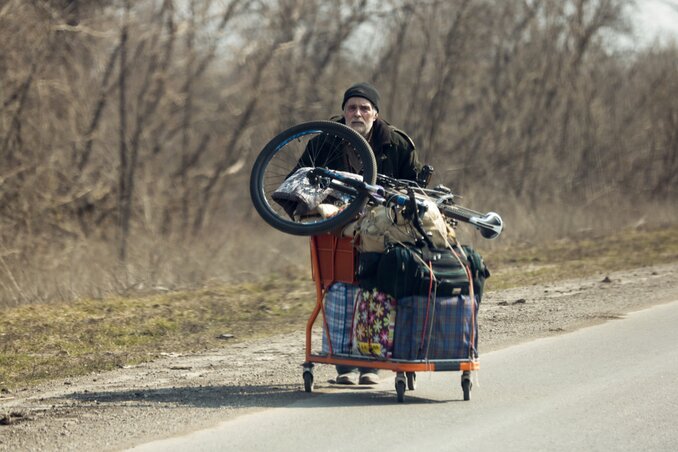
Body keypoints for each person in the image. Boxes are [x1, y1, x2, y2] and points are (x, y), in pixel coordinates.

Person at [330, 82, 423, 385]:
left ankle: (371, 362)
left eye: (364, 108)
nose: (357, 113)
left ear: (376, 114)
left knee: (378, 288)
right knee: (338, 287)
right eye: (351, 108)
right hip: (337, 226)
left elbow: (416, 190)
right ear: (343, 112)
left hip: (385, 227)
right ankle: (342, 362)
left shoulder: (396, 143)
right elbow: (299, 175)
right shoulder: (325, 137)